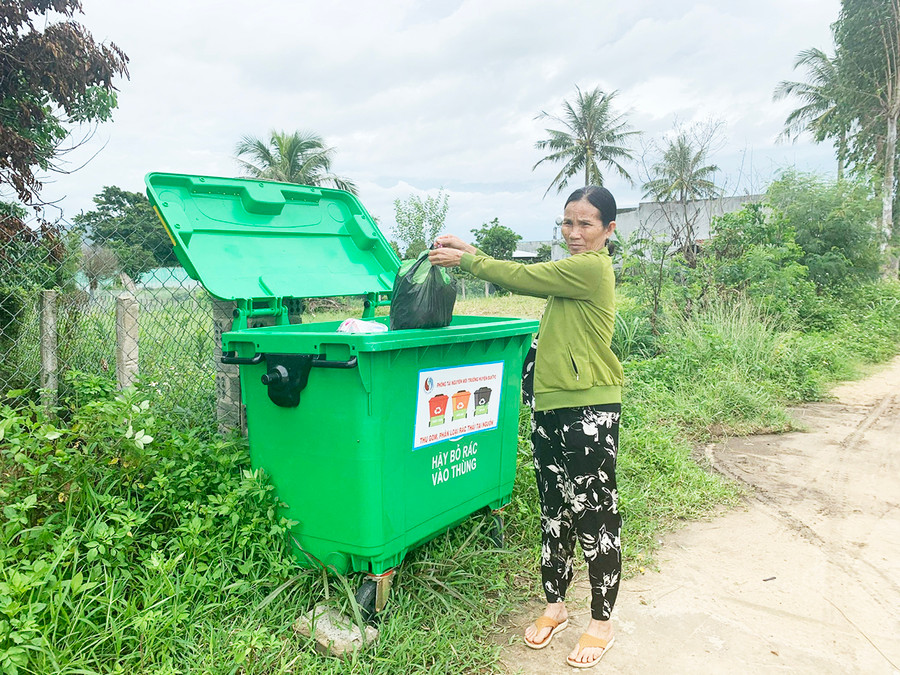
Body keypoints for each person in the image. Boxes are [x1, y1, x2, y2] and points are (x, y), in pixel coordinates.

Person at [428, 186, 624, 669]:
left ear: (608, 230)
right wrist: (474, 252)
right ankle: (555, 605)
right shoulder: (569, 276)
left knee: (595, 514)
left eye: (586, 224)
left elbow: (524, 276)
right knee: (554, 509)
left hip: (591, 410)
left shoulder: (591, 269)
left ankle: (601, 621)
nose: (574, 234)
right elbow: (534, 278)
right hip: (550, 408)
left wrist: (471, 261)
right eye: (567, 223)